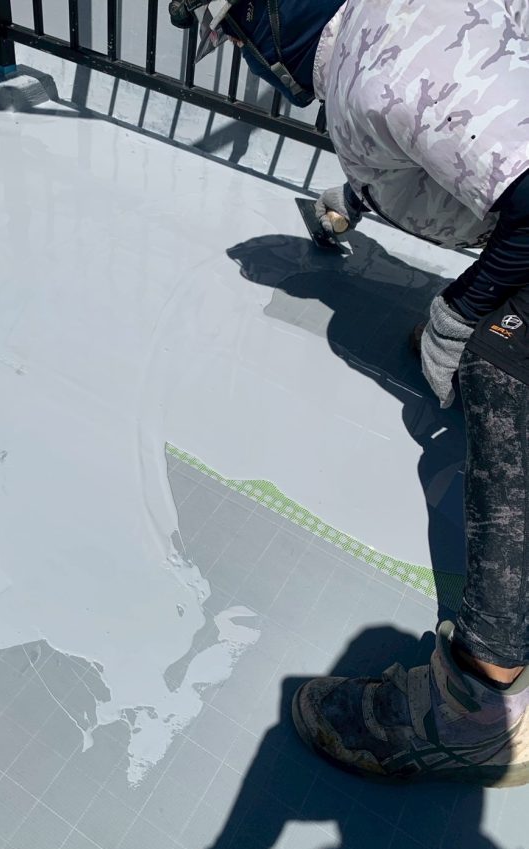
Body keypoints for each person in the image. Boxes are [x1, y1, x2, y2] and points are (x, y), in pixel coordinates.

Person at [170, 0, 529, 785]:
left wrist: (456, 318)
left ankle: (478, 706)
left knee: (500, 365)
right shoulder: (379, 31)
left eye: (235, 36)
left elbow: (417, 96)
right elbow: (444, 123)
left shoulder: (386, 63)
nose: (244, 57)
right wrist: (354, 197)